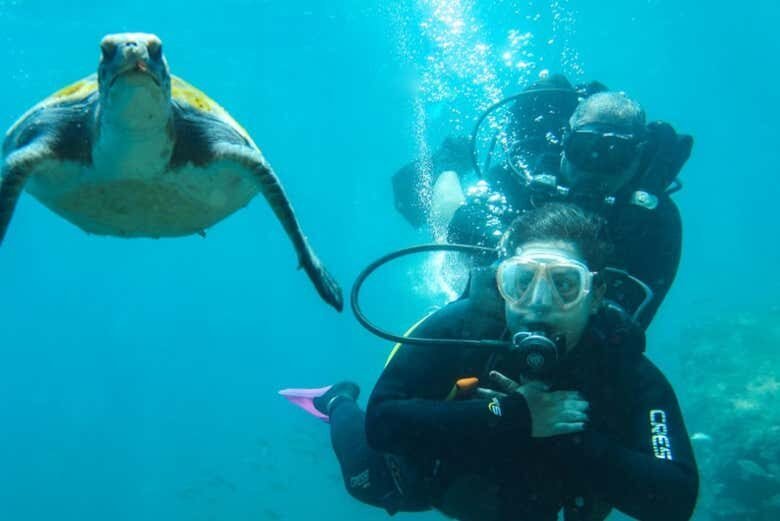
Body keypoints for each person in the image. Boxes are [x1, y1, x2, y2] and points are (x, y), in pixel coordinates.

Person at [280, 203, 699, 521]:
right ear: (501, 285)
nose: (539, 302)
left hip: (537, 501)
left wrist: (568, 438)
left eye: (565, 284)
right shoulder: (461, 326)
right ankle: (337, 400)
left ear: (597, 294)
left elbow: (676, 499)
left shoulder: (621, 365)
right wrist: (513, 416)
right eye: (521, 281)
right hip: (443, 480)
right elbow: (382, 422)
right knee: (367, 483)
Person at [392, 74, 692, 328]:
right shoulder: (525, 177)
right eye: (583, 149)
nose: (594, 167)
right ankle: (449, 163)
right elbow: (457, 220)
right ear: (564, 142)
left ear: (637, 158)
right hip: (503, 262)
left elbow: (635, 318)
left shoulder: (654, 218)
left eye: (615, 155)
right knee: (451, 230)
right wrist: (504, 245)